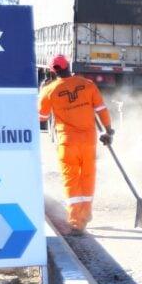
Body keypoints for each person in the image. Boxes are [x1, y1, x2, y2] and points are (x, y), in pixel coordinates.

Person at [38, 55, 115, 233]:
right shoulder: (87, 85)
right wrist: (108, 131)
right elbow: (101, 109)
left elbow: (42, 117)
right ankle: (85, 215)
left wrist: (41, 93)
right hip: (88, 142)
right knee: (87, 177)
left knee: (71, 180)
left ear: (52, 71)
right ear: (68, 66)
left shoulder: (50, 90)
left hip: (67, 144)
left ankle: (75, 222)